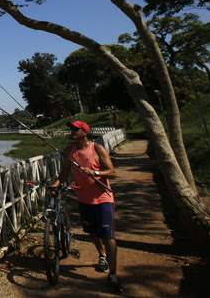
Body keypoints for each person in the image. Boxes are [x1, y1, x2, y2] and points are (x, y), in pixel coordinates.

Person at [50, 120, 123, 293]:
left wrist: (95, 172)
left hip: (103, 198)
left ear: (85, 132)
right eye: (72, 129)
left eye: (76, 129)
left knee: (108, 235)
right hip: (83, 200)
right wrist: (55, 184)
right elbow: (65, 173)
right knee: (92, 232)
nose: (73, 131)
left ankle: (113, 274)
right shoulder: (70, 151)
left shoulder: (97, 149)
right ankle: (102, 255)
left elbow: (112, 172)